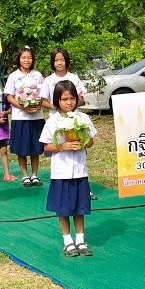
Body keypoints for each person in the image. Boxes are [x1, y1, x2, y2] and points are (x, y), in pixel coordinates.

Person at [41, 80, 97, 257]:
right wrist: (62, 146)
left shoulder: (82, 118)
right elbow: (46, 147)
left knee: (80, 207)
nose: (69, 102)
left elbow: (91, 140)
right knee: (63, 208)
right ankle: (68, 241)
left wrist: (84, 142)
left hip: (80, 170)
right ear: (57, 100)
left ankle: (80, 240)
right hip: (61, 172)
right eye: (64, 99)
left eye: (72, 98)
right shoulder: (52, 121)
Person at [40, 48, 95, 199]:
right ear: (52, 62)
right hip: (58, 121)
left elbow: (82, 97)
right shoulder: (49, 80)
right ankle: (63, 185)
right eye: (56, 60)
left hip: (75, 120)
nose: (59, 62)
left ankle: (84, 188)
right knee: (62, 157)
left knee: (78, 156)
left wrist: (74, 104)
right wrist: (56, 106)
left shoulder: (74, 78)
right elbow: (43, 100)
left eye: (62, 59)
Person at [4, 46, 46, 187]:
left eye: (29, 57)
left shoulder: (38, 75)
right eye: (24, 57)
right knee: (22, 147)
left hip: (36, 117)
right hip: (20, 117)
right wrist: (21, 105)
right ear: (19, 59)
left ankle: (34, 174)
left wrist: (37, 105)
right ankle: (25, 175)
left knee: (35, 146)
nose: (27, 60)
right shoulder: (13, 76)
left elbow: (44, 95)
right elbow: (9, 96)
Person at [0, 100, 16, 182]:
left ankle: (6, 174)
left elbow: (12, 109)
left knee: (4, 151)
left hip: (3, 129)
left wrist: (5, 113)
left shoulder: (5, 97)